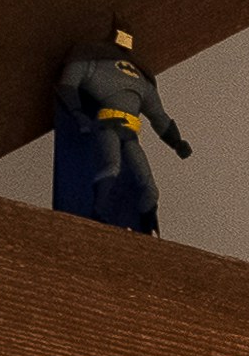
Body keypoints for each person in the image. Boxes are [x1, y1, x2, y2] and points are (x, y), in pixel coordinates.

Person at [54, 28, 193, 235]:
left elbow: (159, 116)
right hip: (107, 125)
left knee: (150, 188)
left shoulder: (140, 81)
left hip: (129, 133)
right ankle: (99, 212)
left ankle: (146, 226)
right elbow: (68, 84)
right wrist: (77, 113)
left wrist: (177, 142)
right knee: (112, 166)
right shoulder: (97, 62)